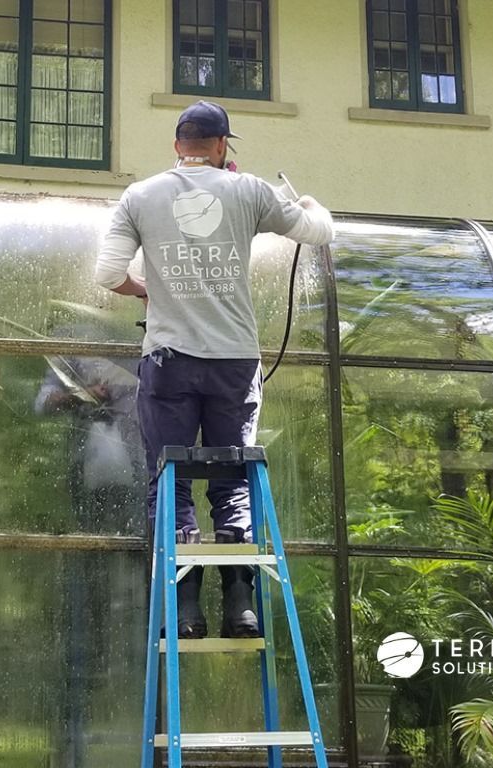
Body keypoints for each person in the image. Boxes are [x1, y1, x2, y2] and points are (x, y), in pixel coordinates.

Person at [94, 100, 334, 639]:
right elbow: (318, 232)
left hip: (169, 361)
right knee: (233, 478)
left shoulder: (140, 195)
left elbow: (108, 272)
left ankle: (185, 611)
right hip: (232, 360)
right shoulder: (247, 190)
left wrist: (148, 291)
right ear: (222, 146)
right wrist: (312, 205)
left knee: (170, 480)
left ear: (178, 146)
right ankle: (241, 606)